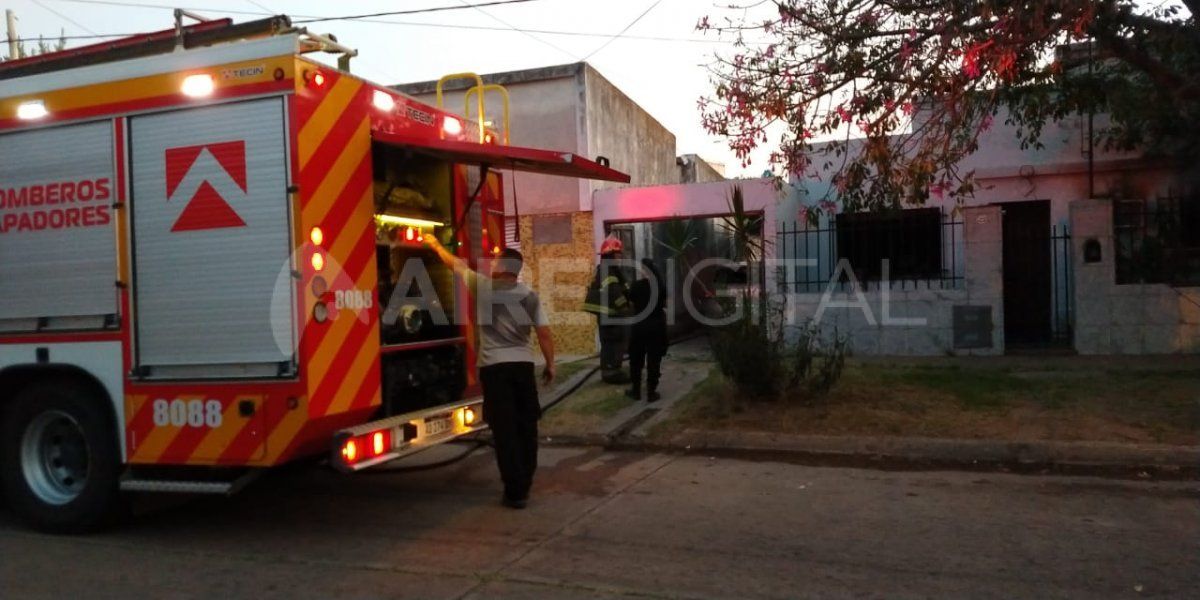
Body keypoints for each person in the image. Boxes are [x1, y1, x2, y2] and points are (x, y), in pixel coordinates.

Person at [424, 236, 554, 509]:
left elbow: (456, 266)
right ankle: (524, 482)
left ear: (502, 266)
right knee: (526, 426)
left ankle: (515, 491)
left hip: (495, 370)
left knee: (505, 430)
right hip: (522, 367)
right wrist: (550, 365)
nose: (491, 263)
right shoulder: (529, 296)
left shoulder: (483, 288)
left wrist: (436, 246)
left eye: (495, 261)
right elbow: (544, 334)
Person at [583, 235, 631, 384]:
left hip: (607, 317)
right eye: (617, 255)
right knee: (614, 343)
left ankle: (610, 371)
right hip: (611, 318)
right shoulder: (608, 272)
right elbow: (614, 293)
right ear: (610, 256)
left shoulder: (606, 270)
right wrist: (626, 307)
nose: (619, 258)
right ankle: (612, 373)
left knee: (610, 344)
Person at [625, 258, 668, 402]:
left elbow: (630, 304)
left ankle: (636, 391)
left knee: (636, 360)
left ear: (644, 270)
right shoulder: (661, 286)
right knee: (654, 359)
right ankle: (651, 392)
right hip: (656, 326)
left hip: (639, 327)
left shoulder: (636, 286)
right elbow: (665, 305)